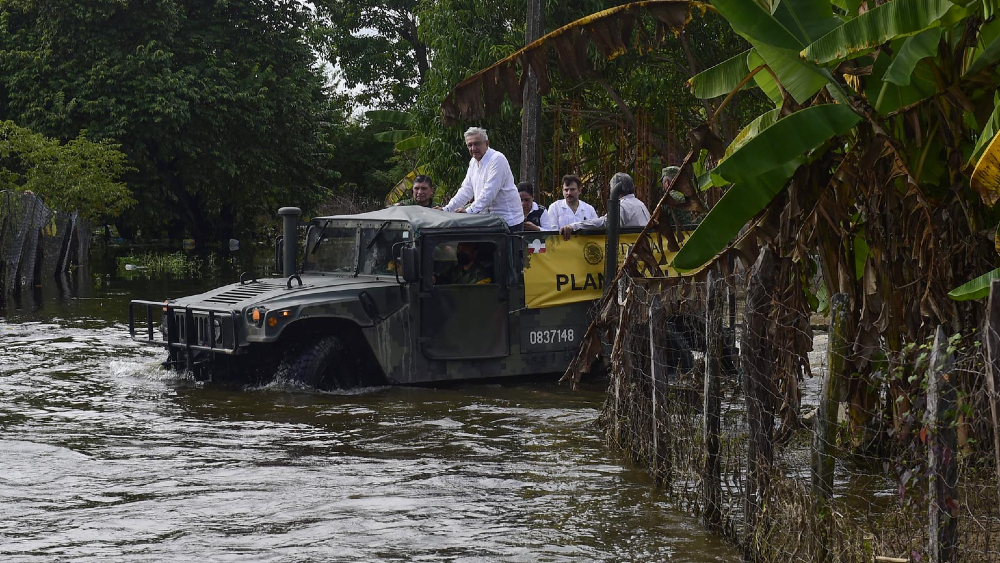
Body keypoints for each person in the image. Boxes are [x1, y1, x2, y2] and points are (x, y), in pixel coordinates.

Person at [442, 127, 524, 231]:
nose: (473, 148)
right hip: (488, 221)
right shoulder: (473, 162)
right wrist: (447, 209)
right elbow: (466, 189)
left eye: (477, 144)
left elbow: (489, 192)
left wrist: (468, 211)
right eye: (469, 145)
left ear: (487, 143)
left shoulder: (497, 159)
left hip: (508, 222)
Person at [559, 172, 651, 239]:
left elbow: (604, 223)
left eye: (611, 188)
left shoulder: (623, 207)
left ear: (615, 189)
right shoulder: (640, 204)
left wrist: (574, 226)